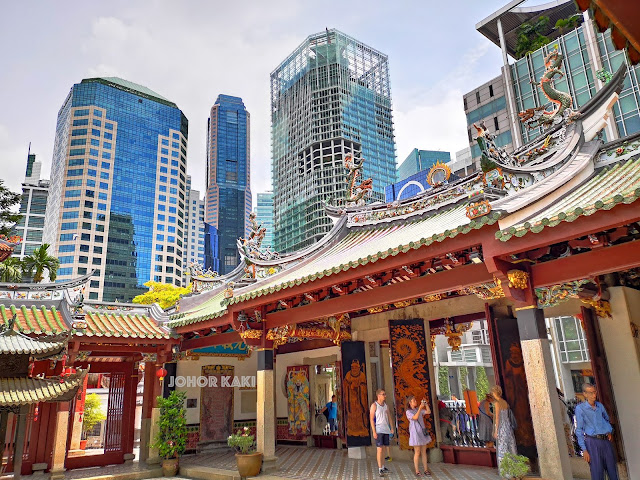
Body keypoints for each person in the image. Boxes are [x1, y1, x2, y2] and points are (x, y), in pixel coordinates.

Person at [575, 383, 618, 480]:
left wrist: (609, 431)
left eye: (594, 392)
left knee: (613, 472)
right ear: (585, 394)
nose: (594, 395)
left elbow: (606, 420)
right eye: (590, 393)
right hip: (592, 442)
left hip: (606, 442)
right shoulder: (580, 409)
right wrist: (584, 450)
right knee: (597, 473)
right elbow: (579, 430)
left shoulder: (600, 406)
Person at [491, 385, 517, 476]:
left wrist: (496, 430)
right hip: (508, 427)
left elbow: (497, 418)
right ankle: (514, 471)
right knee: (511, 447)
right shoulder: (505, 402)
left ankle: (506, 472)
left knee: (503, 448)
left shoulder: (497, 403)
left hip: (501, 428)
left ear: (494, 393)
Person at [405, 396, 432, 477]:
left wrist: (425, 404)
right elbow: (415, 417)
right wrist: (420, 408)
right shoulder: (408, 412)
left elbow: (428, 412)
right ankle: (417, 470)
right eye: (414, 400)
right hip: (415, 433)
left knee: (424, 451)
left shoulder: (417, 409)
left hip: (422, 432)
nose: (415, 401)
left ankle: (426, 469)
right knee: (417, 452)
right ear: (410, 402)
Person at [370, 389, 395, 477]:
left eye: (385, 394)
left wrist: (391, 427)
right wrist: (374, 431)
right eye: (383, 394)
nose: (385, 396)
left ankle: (383, 466)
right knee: (379, 449)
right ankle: (380, 468)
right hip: (379, 429)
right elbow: (372, 419)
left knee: (384, 449)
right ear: (378, 395)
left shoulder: (386, 406)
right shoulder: (374, 405)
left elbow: (389, 417)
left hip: (385, 429)